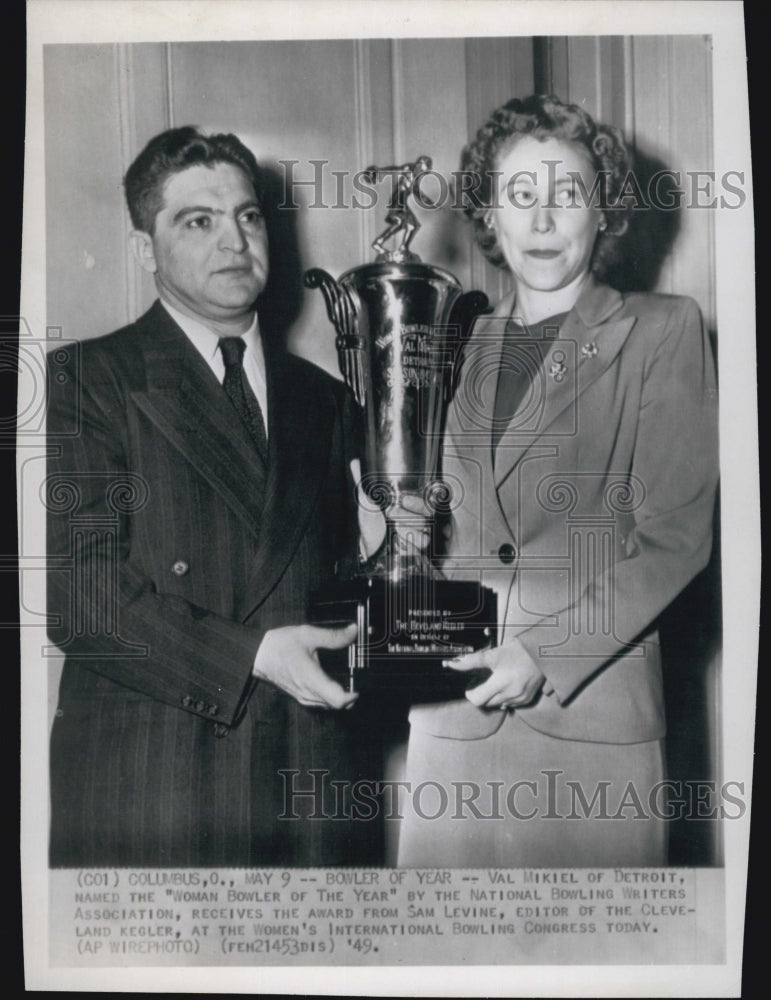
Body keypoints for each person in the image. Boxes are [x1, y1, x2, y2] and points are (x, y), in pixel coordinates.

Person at [46, 126, 386, 867]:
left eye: (248, 216)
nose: (233, 240)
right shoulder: (85, 381)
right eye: (197, 221)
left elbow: (332, 587)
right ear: (146, 249)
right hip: (154, 780)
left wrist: (383, 548)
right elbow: (79, 596)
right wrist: (253, 654)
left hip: (308, 775)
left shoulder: (325, 400)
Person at [396, 95, 719, 867]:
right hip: (452, 715)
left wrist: (545, 653)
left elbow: (673, 536)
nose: (542, 221)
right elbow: (430, 523)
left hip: (590, 719)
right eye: (519, 196)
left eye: (565, 195)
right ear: (489, 216)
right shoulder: (445, 342)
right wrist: (395, 520)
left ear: (602, 213)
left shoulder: (663, 329)